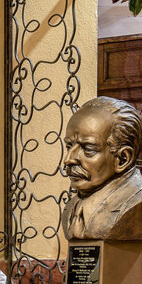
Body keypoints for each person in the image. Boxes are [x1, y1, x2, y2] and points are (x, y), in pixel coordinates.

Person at [60, 96, 142, 241]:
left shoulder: (136, 205)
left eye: (88, 149)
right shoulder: (71, 209)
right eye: (69, 146)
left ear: (122, 159)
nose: (68, 159)